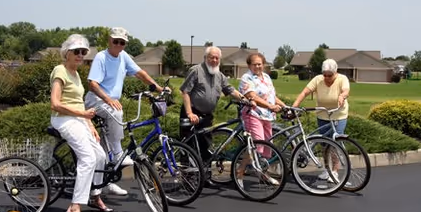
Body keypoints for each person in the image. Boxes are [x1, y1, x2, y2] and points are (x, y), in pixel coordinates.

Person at [85, 27, 168, 195]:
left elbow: (140, 73)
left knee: (104, 145)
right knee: (116, 113)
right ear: (109, 41)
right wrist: (108, 99)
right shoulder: (101, 57)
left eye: (121, 42)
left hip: (109, 103)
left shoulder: (123, 57)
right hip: (96, 101)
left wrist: (157, 88)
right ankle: (117, 153)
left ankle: (106, 183)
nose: (118, 45)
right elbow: (92, 84)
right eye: (115, 41)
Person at [50, 34, 113, 212]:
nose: (80, 55)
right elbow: (55, 103)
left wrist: (90, 124)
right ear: (66, 53)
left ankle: (95, 196)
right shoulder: (60, 70)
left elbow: (79, 103)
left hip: (78, 119)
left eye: (83, 52)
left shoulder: (76, 74)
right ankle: (74, 208)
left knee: (100, 155)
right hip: (64, 119)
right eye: (76, 51)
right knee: (88, 159)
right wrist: (82, 114)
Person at [179, 46, 244, 185]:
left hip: (207, 115)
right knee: (188, 146)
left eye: (216, 58)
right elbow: (185, 91)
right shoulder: (196, 70)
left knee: (205, 145)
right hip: (192, 113)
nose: (214, 60)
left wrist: (245, 99)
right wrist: (190, 113)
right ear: (205, 58)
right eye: (211, 57)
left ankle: (205, 177)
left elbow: (230, 89)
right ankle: (187, 180)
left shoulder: (219, 75)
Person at [292, 58, 350, 182]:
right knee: (324, 144)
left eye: (330, 75)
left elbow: (346, 90)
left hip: (338, 115)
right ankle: (327, 169)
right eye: (325, 75)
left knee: (334, 143)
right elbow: (305, 92)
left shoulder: (342, 79)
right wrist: (295, 105)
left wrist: (342, 96)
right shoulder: (318, 80)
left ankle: (334, 170)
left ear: (336, 72)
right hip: (323, 115)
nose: (327, 78)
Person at [236, 53, 287, 185]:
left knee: (267, 147)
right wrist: (270, 106)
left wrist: (285, 106)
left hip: (267, 116)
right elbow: (252, 97)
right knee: (257, 144)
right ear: (249, 65)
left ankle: (263, 174)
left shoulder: (266, 77)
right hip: (253, 114)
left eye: (260, 64)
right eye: (255, 64)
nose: (258, 66)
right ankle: (240, 172)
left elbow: (271, 96)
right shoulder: (246, 78)